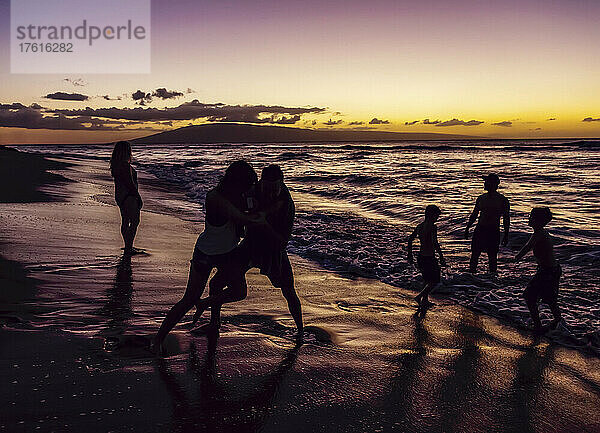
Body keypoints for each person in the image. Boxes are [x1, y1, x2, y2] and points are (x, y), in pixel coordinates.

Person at [152, 161, 262, 353]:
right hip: (210, 254)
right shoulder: (215, 198)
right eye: (247, 184)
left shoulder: (236, 196)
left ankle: (211, 318)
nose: (249, 188)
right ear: (238, 182)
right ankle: (158, 339)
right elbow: (244, 219)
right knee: (189, 299)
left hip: (220, 253)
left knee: (233, 291)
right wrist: (261, 213)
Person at [195, 164, 303, 337]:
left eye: (274, 189)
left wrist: (264, 222)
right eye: (266, 188)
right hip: (250, 244)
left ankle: (301, 331)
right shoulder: (252, 190)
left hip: (273, 249)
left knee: (289, 290)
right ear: (260, 183)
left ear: (282, 185)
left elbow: (282, 243)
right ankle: (214, 323)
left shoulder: (287, 204)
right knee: (216, 283)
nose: (270, 193)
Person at [513, 207, 562, 332]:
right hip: (550, 270)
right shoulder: (540, 232)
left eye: (532, 217)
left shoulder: (540, 233)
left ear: (539, 221)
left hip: (548, 271)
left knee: (530, 296)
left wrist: (517, 257)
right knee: (549, 298)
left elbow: (528, 246)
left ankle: (539, 326)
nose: (529, 219)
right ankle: (557, 322)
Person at [465, 173, 510, 274]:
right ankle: (471, 276)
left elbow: (506, 218)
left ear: (493, 184)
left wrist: (506, 234)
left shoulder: (502, 200)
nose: (484, 184)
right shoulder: (481, 198)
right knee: (475, 254)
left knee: (492, 256)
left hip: (493, 230)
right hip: (480, 229)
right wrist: (468, 227)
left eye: (487, 182)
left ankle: (492, 278)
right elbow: (474, 214)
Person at [408, 205, 447, 308]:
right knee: (435, 281)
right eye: (436, 216)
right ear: (432, 215)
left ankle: (425, 300)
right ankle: (419, 296)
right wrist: (441, 256)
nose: (437, 218)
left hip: (421, 257)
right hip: (429, 258)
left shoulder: (419, 226)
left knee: (426, 280)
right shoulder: (432, 227)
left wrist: (410, 254)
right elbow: (435, 243)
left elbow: (410, 240)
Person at [110, 141, 143, 254]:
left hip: (120, 196)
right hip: (129, 196)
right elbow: (130, 183)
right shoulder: (125, 166)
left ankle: (127, 245)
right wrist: (138, 197)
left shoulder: (116, 165)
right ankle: (129, 246)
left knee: (125, 221)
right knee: (135, 221)